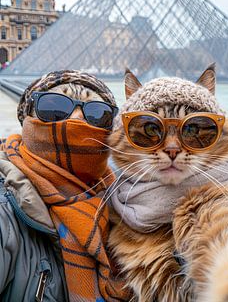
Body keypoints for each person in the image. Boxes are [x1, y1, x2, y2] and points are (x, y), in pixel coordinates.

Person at [0, 70, 130, 302]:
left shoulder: (128, 205)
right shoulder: (5, 211)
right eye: (55, 107)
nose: (77, 118)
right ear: (27, 117)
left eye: (96, 113)